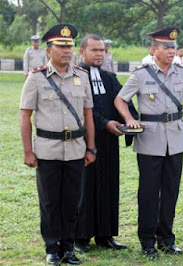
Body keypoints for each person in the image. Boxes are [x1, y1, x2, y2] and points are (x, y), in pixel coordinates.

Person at [114, 26, 183, 258]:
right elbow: (120, 99)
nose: (171, 51)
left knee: (171, 191)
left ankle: (166, 239)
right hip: (150, 139)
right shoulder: (141, 74)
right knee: (149, 193)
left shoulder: (182, 73)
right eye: (166, 47)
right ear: (153, 50)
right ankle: (147, 241)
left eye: (174, 47)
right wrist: (129, 118)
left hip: (176, 139)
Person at [20, 23, 96, 265]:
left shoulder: (82, 77)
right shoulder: (36, 78)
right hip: (47, 150)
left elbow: (88, 115)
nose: (67, 51)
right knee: (50, 202)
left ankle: (68, 247)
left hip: (75, 148)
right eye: (61, 47)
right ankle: (52, 247)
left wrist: (91, 147)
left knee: (72, 201)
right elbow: (25, 116)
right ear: (48, 50)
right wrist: (28, 151)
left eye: (70, 47)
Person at [74, 34, 138, 253]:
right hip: (84, 141)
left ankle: (105, 234)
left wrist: (131, 124)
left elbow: (123, 101)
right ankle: (80, 236)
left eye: (102, 50)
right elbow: (81, 109)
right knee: (85, 187)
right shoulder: (74, 77)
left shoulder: (110, 78)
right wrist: (104, 124)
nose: (100, 54)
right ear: (82, 52)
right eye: (95, 50)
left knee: (108, 185)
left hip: (110, 141)